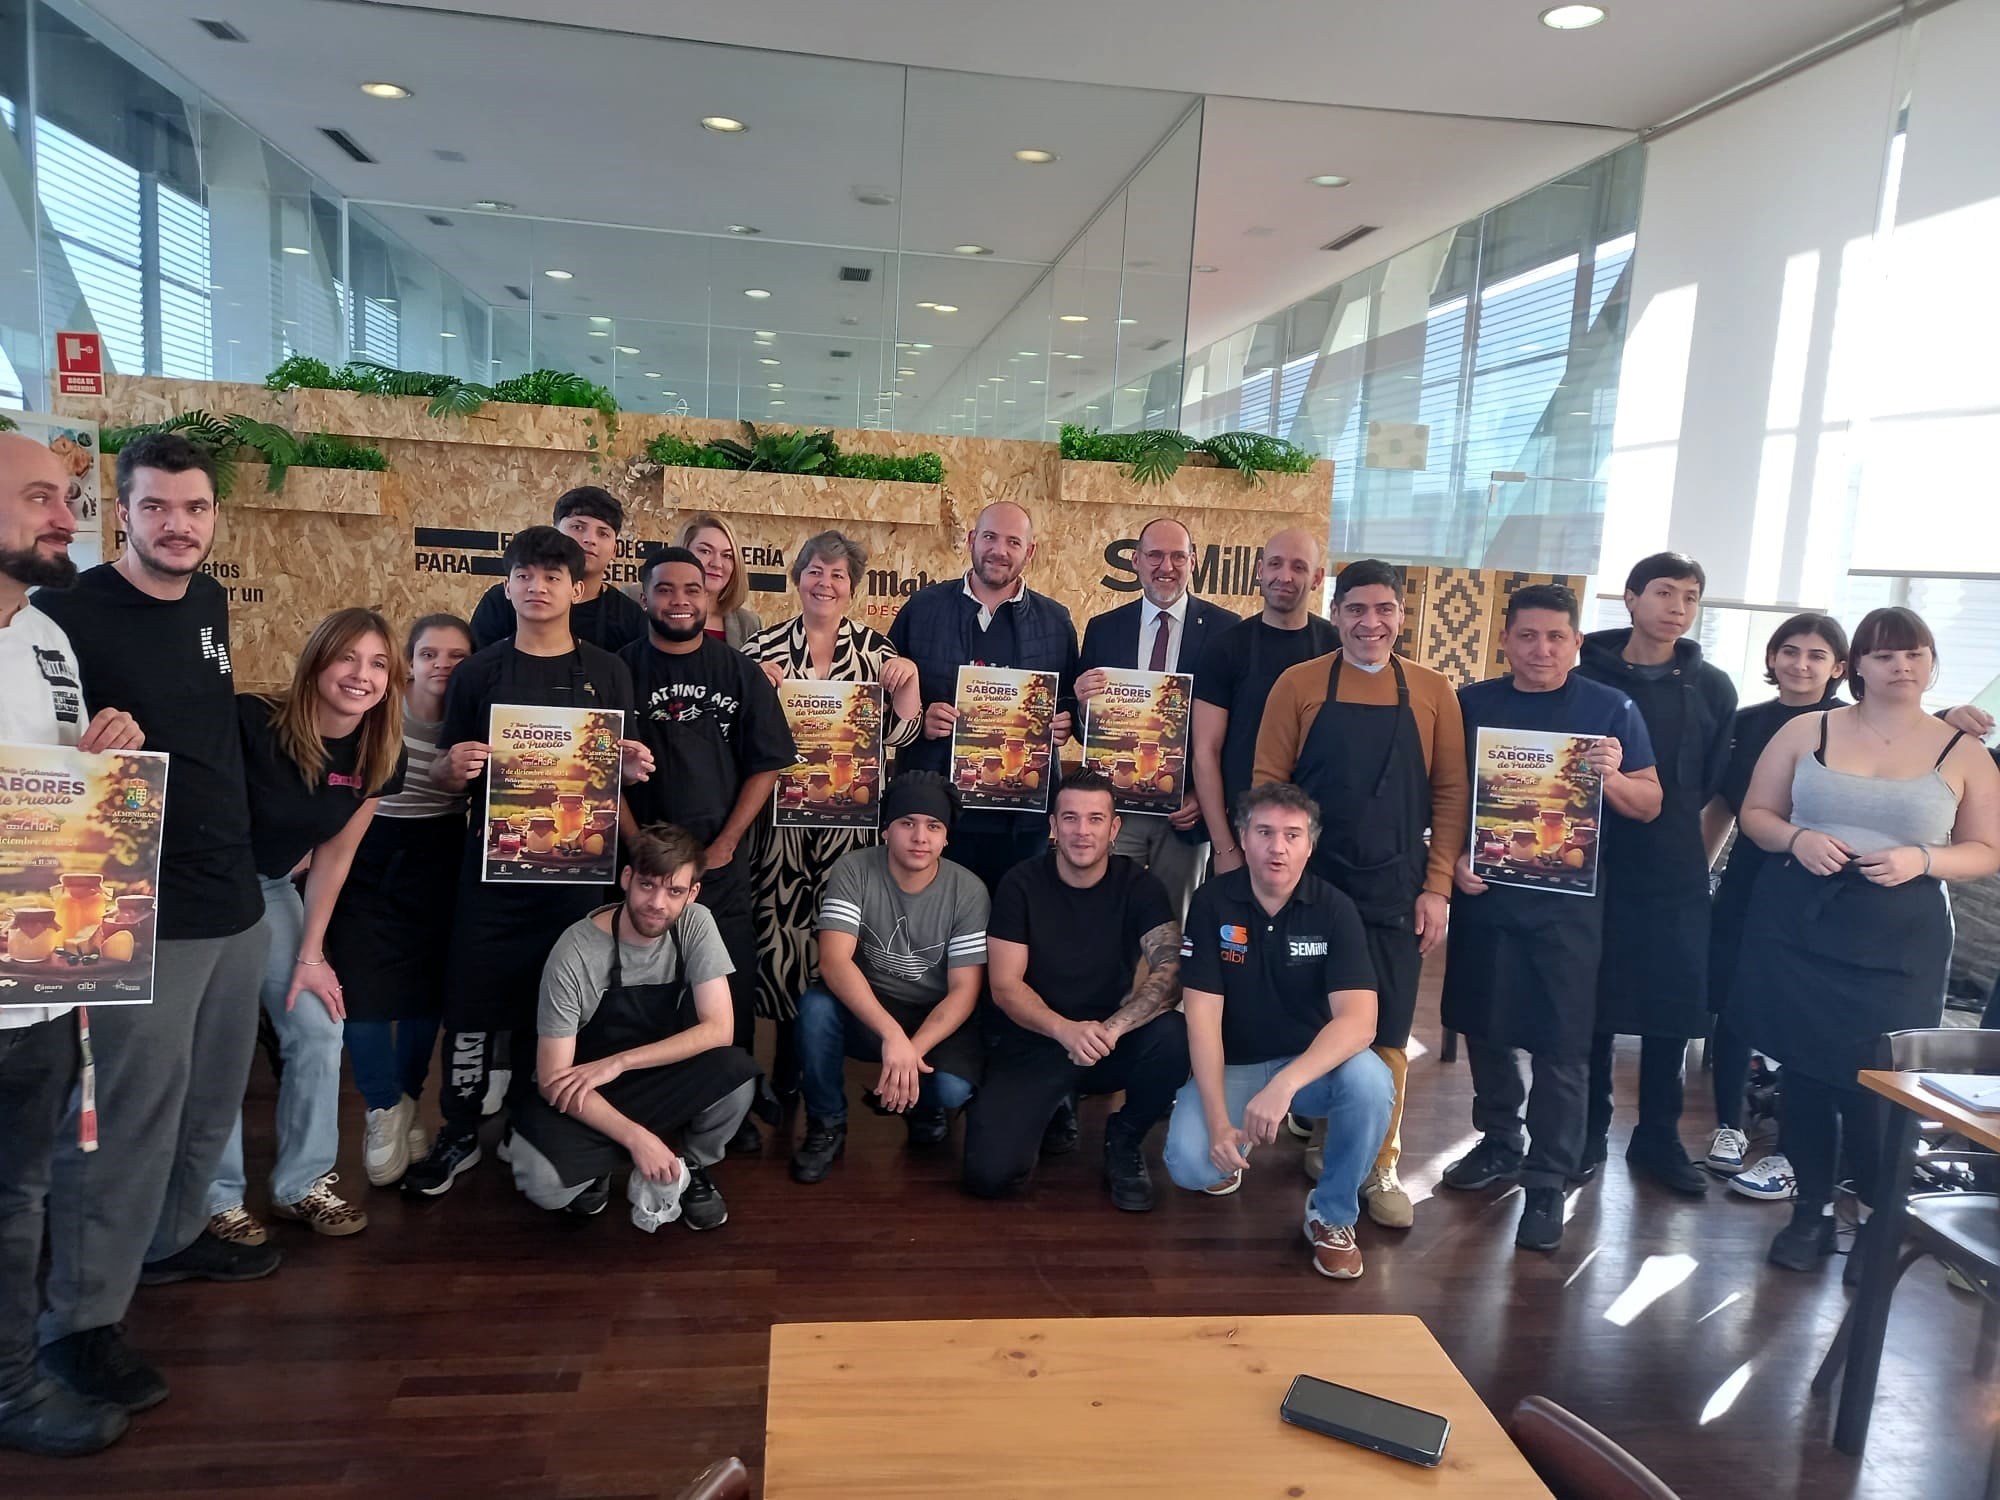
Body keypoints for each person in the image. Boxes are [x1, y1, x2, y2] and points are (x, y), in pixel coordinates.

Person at [34, 432, 275, 1415]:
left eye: (195, 509)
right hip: (142, 909)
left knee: (208, 1109)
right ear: (119, 513)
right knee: (123, 1125)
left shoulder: (210, 600)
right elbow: (37, 761)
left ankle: (170, 1242)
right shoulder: (64, 614)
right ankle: (81, 1324)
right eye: (157, 509)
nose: (179, 526)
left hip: (235, 900)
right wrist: (83, 746)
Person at [1731, 606, 2000, 1272]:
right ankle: (1811, 1211)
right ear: (1857, 667)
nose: (1900, 667)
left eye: (1913, 654)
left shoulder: (1961, 750)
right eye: (1883, 656)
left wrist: (1924, 859)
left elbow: (1987, 849)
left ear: (1932, 662)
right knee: (1808, 1079)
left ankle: (1882, 1220)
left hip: (1900, 937)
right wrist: (1797, 836)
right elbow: (1755, 814)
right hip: (1803, 922)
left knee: (1880, 1086)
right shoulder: (1806, 729)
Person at [403, 526, 650, 1197]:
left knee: (567, 1003)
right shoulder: (481, 670)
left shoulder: (608, 670)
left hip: (577, 873)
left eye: (551, 577)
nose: (537, 588)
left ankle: (538, 1121)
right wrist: (454, 767)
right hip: (493, 868)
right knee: (474, 1000)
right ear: (507, 585)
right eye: (524, 576)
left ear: (577, 586)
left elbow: (617, 771)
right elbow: (452, 775)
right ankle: (459, 1130)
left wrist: (627, 765)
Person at [1438, 583, 1662, 1253]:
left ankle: (1547, 1181)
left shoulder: (1609, 707)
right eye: (1528, 636)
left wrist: (1613, 777)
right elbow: (1444, 795)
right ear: (1504, 640)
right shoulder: (1472, 704)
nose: (1541, 649)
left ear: (1577, 644)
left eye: (1555, 637)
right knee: (1483, 1025)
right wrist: (1449, 862)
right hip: (1486, 896)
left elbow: (1649, 802)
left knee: (1563, 1044)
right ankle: (1500, 1140)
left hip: (1569, 906)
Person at [0, 433, 143, 1457]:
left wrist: (103, 755)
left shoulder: (47, 637)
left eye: (66, 497)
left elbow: (62, 798)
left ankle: (12, 1384)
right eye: (41, 498)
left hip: (40, 982)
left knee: (20, 1196)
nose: (65, 517)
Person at [1251, 559, 1468, 1230]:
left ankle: (1380, 1162)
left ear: (1402, 616)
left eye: (1385, 610)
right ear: (1335, 611)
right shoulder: (1298, 683)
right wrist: (1273, 879)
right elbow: (1268, 781)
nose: (1370, 623)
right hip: (1311, 886)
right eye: (1355, 610)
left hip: (1394, 887)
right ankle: (1319, 1123)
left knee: (1390, 1028)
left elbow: (1451, 794)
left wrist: (1436, 888)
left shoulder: (1434, 692)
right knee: (1312, 1012)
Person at [205, 609, 409, 1244]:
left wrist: (311, 953)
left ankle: (303, 1185)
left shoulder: (380, 754)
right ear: (318, 660)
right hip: (205, 894)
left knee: (319, 1024)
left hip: (269, 890)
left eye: (378, 664)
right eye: (348, 658)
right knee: (223, 1041)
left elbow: (334, 856)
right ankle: (216, 1198)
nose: (361, 675)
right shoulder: (251, 723)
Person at [1164, 782, 1395, 1279]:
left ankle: (1332, 1215)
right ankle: (1237, 1142)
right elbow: (1201, 1019)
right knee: (1190, 1168)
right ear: (1243, 838)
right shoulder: (1211, 903)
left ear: (1310, 845)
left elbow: (1360, 1021)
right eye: (1265, 832)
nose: (1278, 847)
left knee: (1372, 1081)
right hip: (1236, 1064)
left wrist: (1283, 1087)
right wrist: (1218, 1120)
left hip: (1304, 1070)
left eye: (1292, 835)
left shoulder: (1335, 909)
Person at [621, 545, 796, 1155]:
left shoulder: (738, 671)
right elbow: (597, 768)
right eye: (665, 590)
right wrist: (634, 849)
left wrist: (725, 844)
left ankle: (733, 1101)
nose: (679, 600)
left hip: (720, 867)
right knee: (640, 987)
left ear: (710, 597)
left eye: (691, 590)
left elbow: (768, 764)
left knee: (729, 986)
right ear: (644, 598)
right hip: (641, 868)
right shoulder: (618, 670)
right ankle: (644, 1094)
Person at [1573, 553, 1738, 1196]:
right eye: (1664, 593)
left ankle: (1659, 1137)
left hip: (1673, 864)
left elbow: (1714, 787)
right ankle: (1587, 1129)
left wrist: (1698, 859)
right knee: (1593, 1001)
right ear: (1631, 598)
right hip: (1589, 857)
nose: (1677, 607)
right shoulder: (1585, 671)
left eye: (1691, 597)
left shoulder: (1713, 686)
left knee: (1672, 1006)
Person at [506, 824, 760, 1229]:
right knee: (544, 1185)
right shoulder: (576, 951)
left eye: (674, 891)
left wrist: (620, 1062)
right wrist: (635, 1137)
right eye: (647, 885)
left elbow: (719, 1029)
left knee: (736, 1074)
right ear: (627, 879)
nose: (657, 903)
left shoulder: (695, 924)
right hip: (580, 1087)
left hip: (647, 1075)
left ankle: (689, 1164)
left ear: (692, 894)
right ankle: (617, 1161)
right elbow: (553, 1078)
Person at [747, 531, 922, 1102]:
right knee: (779, 938)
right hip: (780, 828)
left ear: (853, 588)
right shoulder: (761, 651)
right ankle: (778, 1065)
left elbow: (900, 736)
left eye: (838, 575)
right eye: (816, 571)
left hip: (851, 828)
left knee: (837, 936)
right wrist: (755, 689)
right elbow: (738, 739)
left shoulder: (878, 655)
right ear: (798, 578)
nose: (826, 583)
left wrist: (909, 688)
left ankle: (813, 1057)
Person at [962, 769, 1188, 1212]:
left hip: (1107, 1040)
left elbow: (1171, 970)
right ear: (1053, 826)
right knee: (988, 1177)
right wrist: (1065, 1030)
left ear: (1114, 827)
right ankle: (1053, 1104)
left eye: (1095, 819)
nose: (1082, 832)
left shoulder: (1140, 886)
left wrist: (1111, 1029)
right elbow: (1005, 987)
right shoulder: (1020, 883)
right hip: (1033, 1039)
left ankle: (1124, 1139)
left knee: (1175, 1036)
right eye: (1069, 818)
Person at [1699, 613, 1847, 1197]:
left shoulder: (1851, 726)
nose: (1801, 664)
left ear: (1839, 667)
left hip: (1821, 882)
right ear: (1772, 657)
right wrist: (1695, 878)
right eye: (1790, 651)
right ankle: (1730, 1127)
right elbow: (1721, 810)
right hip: (1750, 875)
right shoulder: (1744, 724)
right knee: (1735, 1001)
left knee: (1800, 1012)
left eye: (1816, 655)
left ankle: (1791, 1146)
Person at [327, 613, 475, 1189]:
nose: (442, 665)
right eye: (430, 654)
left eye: (456, 656)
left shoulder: (476, 717)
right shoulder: (379, 709)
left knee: (422, 995)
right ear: (409, 663)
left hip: (440, 854)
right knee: (361, 992)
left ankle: (411, 1101)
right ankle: (383, 1107)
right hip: (367, 850)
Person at [790, 772, 989, 1183]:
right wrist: (892, 1037)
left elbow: (964, 991)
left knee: (953, 1090)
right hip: (871, 1005)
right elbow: (834, 962)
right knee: (814, 1008)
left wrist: (911, 1052)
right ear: (886, 830)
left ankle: (922, 1103)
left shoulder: (968, 890)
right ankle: (827, 1123)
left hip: (936, 1016)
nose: (920, 837)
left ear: (946, 837)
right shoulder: (854, 870)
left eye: (933, 826)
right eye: (907, 823)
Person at [888, 501, 1080, 892]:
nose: (999, 550)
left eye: (1013, 542)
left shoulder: (1055, 620)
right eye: (990, 537)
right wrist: (919, 720)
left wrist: (1066, 721)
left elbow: (1070, 704)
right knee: (935, 931)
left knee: (1010, 931)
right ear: (972, 540)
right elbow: (884, 697)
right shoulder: (923, 608)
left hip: (1021, 817)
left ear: (1030, 552)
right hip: (935, 812)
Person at [1074, 516, 1238, 917]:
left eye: (1178, 556)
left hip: (1186, 813)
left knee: (1174, 923)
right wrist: (1081, 706)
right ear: (1135, 561)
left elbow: (1235, 730)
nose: (1167, 567)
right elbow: (1085, 732)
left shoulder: (1227, 631)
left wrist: (1207, 797)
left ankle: (1167, 984)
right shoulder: (1103, 629)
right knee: (1106, 916)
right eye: (1155, 555)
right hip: (1116, 810)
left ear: (1194, 561)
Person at [1193, 528, 1336, 873]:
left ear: (1317, 578)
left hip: (1323, 842)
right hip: (1245, 839)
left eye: (1299, 567)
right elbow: (1205, 752)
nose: (1284, 576)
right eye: (1275, 564)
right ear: (1260, 570)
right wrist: (1224, 847)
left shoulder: (1337, 648)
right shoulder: (1226, 647)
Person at [469, 486, 647, 653]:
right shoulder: (502, 601)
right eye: (578, 527)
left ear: (614, 550)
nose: (590, 539)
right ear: (555, 531)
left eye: (603, 533)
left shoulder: (629, 618)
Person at [679, 512, 763, 648]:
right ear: (683, 551)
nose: (717, 563)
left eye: (727, 556)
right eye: (705, 551)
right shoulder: (638, 602)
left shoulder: (748, 624)